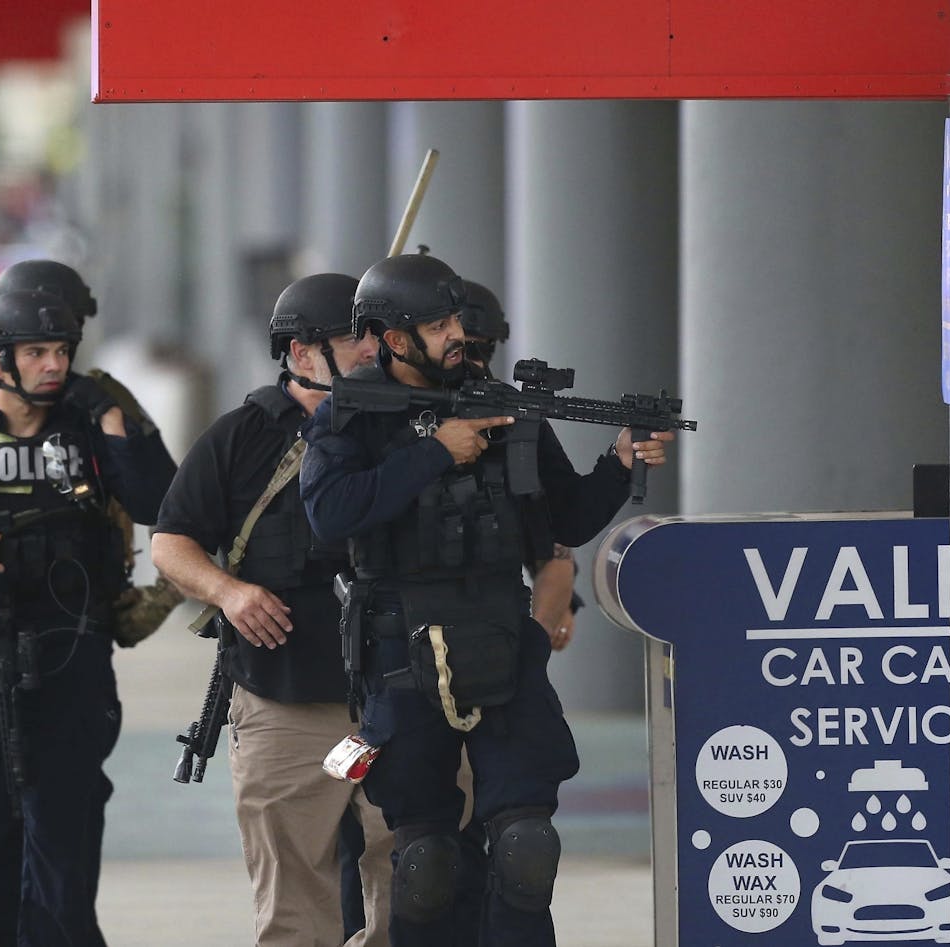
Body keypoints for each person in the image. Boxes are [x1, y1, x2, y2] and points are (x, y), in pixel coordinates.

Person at [300, 253, 674, 946]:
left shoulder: (503, 404)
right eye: (437, 324)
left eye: (456, 320)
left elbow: (565, 518)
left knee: (526, 846)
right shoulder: (351, 414)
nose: (456, 336)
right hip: (400, 652)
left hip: (502, 641)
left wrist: (621, 462)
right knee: (426, 860)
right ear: (393, 336)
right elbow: (330, 513)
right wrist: (435, 451)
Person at [0, 279, 177, 946]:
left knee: (64, 840)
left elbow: (162, 503)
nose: (54, 365)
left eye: (62, 350)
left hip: (70, 657)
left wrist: (116, 425)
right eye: (36, 352)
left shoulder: (91, 430)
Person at [151, 273, 393, 947]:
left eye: (373, 334)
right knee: (293, 903)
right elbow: (171, 544)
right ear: (304, 351)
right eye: (353, 337)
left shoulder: (402, 424)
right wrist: (229, 592)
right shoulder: (242, 436)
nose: (371, 348)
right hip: (286, 702)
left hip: (397, 694)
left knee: (419, 879)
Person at [459, 279, 582, 652]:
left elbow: (553, 544)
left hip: (491, 629)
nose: (469, 362)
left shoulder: (508, 417)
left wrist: (537, 639)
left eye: (480, 350)